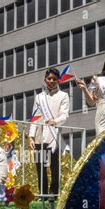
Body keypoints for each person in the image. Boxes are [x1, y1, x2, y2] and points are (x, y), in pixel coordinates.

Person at [29, 67, 69, 196]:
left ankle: (53, 193)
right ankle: (43, 193)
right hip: (40, 135)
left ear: (58, 80)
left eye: (54, 79)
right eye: (49, 78)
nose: (51, 81)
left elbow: (65, 115)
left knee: (54, 166)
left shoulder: (63, 95)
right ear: (45, 79)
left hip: (54, 135)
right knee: (40, 166)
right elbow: (34, 117)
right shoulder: (39, 97)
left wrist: (55, 121)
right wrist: (31, 136)